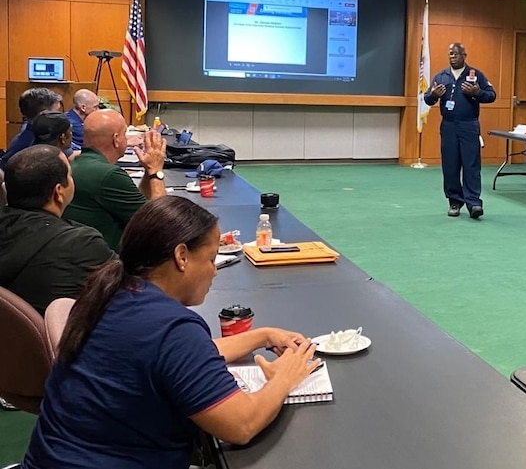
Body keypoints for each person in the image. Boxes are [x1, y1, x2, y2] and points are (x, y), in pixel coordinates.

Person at [22, 196, 322, 469]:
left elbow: (174, 360)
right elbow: (242, 425)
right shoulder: (173, 327)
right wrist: (285, 377)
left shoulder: (108, 293)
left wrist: (264, 335)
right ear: (181, 257)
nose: (214, 271)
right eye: (210, 258)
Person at [0, 145, 114, 314]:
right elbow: (132, 292)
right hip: (60, 338)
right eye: (70, 175)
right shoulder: (81, 243)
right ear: (58, 192)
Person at [63, 109, 167, 250]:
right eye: (125, 134)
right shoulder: (108, 175)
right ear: (116, 139)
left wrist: (148, 172)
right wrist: (156, 171)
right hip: (110, 264)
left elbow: (136, 205)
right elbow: (162, 224)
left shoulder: (76, 164)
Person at [423, 42, 497, 219]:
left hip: (469, 125)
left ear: (464, 55)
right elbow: (427, 99)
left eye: (456, 54)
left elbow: (491, 95)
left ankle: (474, 203)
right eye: (450, 54)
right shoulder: (441, 76)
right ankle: (454, 202)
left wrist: (478, 92)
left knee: (471, 165)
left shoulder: (476, 75)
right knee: (450, 164)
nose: (452, 56)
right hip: (448, 126)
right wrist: (433, 96)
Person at [0, 87, 63, 169]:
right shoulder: (32, 143)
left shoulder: (30, 132)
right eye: (56, 113)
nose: (61, 116)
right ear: (43, 114)